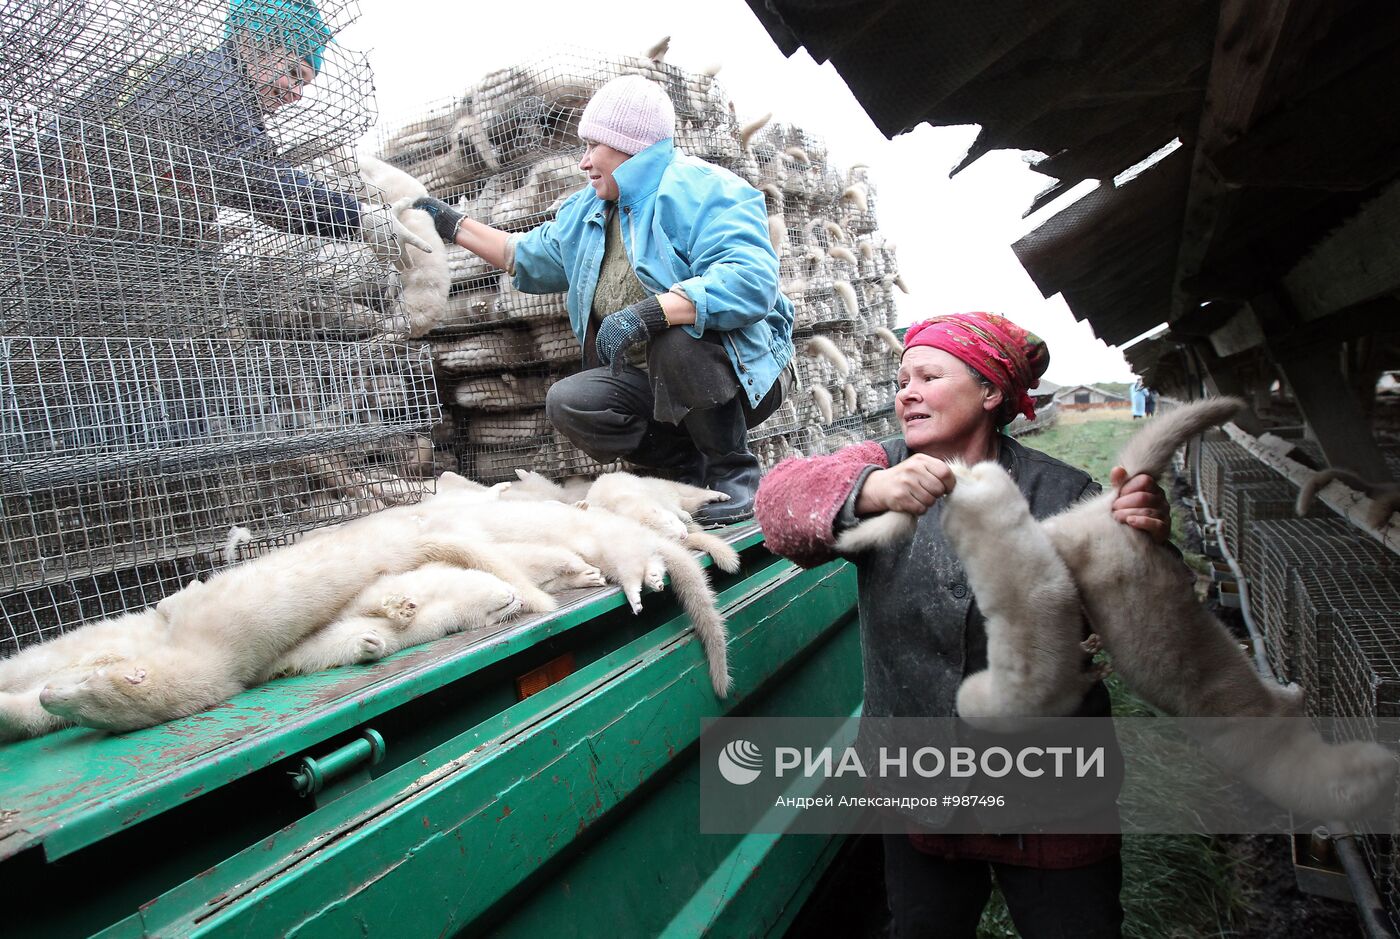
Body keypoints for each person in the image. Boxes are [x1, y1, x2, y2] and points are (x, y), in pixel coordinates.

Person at [754, 312, 1173, 938]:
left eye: (929, 375)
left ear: (991, 392)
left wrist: (1147, 545)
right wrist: (870, 491)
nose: (907, 392)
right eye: (901, 380)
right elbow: (779, 504)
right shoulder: (883, 467)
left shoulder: (1061, 491)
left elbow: (1148, 627)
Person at [412, 74, 794, 525]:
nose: (583, 161)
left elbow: (750, 280)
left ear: (630, 147)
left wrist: (652, 312)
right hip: (655, 385)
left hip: (741, 374)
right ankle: (686, 472)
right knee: (571, 402)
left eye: (594, 145)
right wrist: (452, 224)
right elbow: (522, 254)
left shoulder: (706, 190)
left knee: (677, 340)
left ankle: (732, 472)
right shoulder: (588, 213)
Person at [81, 0, 429, 259]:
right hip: (76, 230)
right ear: (253, 43)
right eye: (295, 74)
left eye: (304, 86)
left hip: (96, 229)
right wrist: (358, 218)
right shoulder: (214, 85)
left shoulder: (197, 73)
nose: (295, 94)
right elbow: (261, 182)